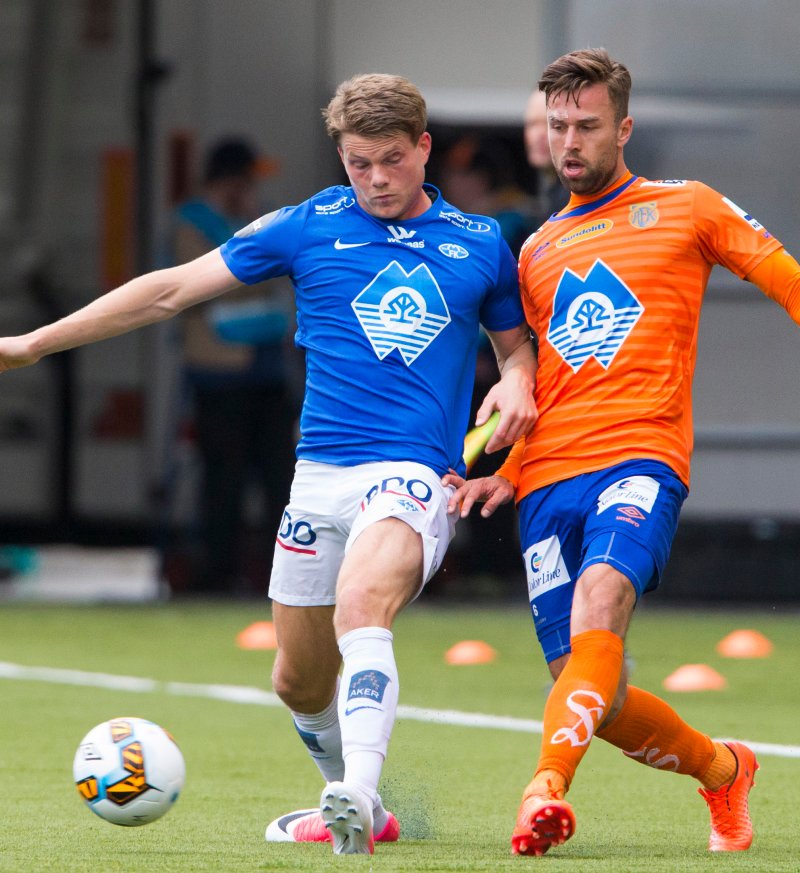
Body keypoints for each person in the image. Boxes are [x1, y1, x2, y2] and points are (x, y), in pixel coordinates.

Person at [0, 73, 537, 855]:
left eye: (392, 159)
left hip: (413, 473)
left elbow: (515, 349)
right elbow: (171, 290)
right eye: (359, 163)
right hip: (317, 478)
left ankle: (356, 797)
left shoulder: (481, 243)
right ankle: (365, 802)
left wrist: (517, 381)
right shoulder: (308, 225)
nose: (377, 179)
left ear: (423, 148)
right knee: (296, 679)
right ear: (340, 157)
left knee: (362, 602)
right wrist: (32, 343)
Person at [446, 47, 800, 857]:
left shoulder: (687, 206)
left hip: (640, 458)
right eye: (557, 125)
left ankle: (544, 789)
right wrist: (506, 469)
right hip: (546, 480)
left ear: (624, 129)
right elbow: (537, 378)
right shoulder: (536, 250)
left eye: (587, 125)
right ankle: (724, 769)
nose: (569, 141)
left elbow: (786, 277)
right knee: (591, 694)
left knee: (601, 599)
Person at [167, 138, 297, 596]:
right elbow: (215, 284)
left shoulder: (250, 220)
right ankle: (217, 571)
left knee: (279, 475)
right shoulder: (192, 223)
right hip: (218, 372)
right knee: (224, 476)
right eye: (247, 180)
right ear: (230, 179)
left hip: (265, 371)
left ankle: (280, 572)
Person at [522, 87, 569, 225]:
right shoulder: (552, 192)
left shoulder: (575, 197)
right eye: (532, 124)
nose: (539, 135)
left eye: (552, 124)